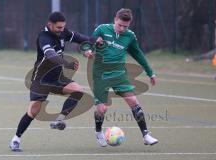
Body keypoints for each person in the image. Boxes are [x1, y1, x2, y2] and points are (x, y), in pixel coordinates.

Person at [9, 11, 94, 151]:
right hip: (41, 80)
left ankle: (59, 119)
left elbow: (80, 38)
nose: (61, 30)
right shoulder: (43, 37)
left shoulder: (63, 32)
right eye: (58, 27)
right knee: (33, 111)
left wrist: (94, 39)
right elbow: (50, 55)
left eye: (63, 27)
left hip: (57, 78)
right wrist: (66, 63)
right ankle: (16, 139)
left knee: (78, 90)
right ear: (50, 25)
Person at [84, 8, 158, 147]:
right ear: (115, 19)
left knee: (134, 102)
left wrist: (150, 72)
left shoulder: (130, 36)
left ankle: (146, 135)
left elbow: (138, 54)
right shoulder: (102, 29)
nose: (122, 28)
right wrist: (87, 50)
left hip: (119, 75)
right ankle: (98, 132)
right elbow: (89, 43)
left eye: (126, 26)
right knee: (102, 109)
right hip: (100, 75)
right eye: (120, 25)